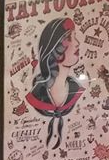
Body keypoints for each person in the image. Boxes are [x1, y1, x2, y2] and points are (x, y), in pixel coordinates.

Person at [25, 18, 89, 150]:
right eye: (70, 38)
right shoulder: (37, 95)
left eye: (75, 37)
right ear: (55, 48)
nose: (77, 43)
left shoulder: (76, 89)